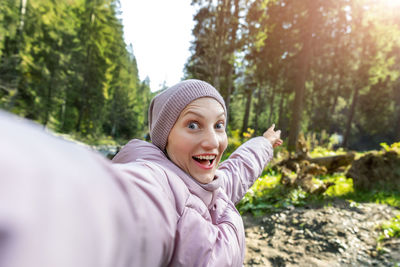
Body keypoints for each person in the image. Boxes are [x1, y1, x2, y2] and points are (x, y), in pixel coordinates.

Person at [0, 79, 281, 267]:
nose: (212, 141)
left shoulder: (213, 185)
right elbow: (121, 206)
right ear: (164, 137)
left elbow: (238, 169)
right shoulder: (157, 181)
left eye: (219, 125)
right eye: (193, 125)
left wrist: (263, 143)